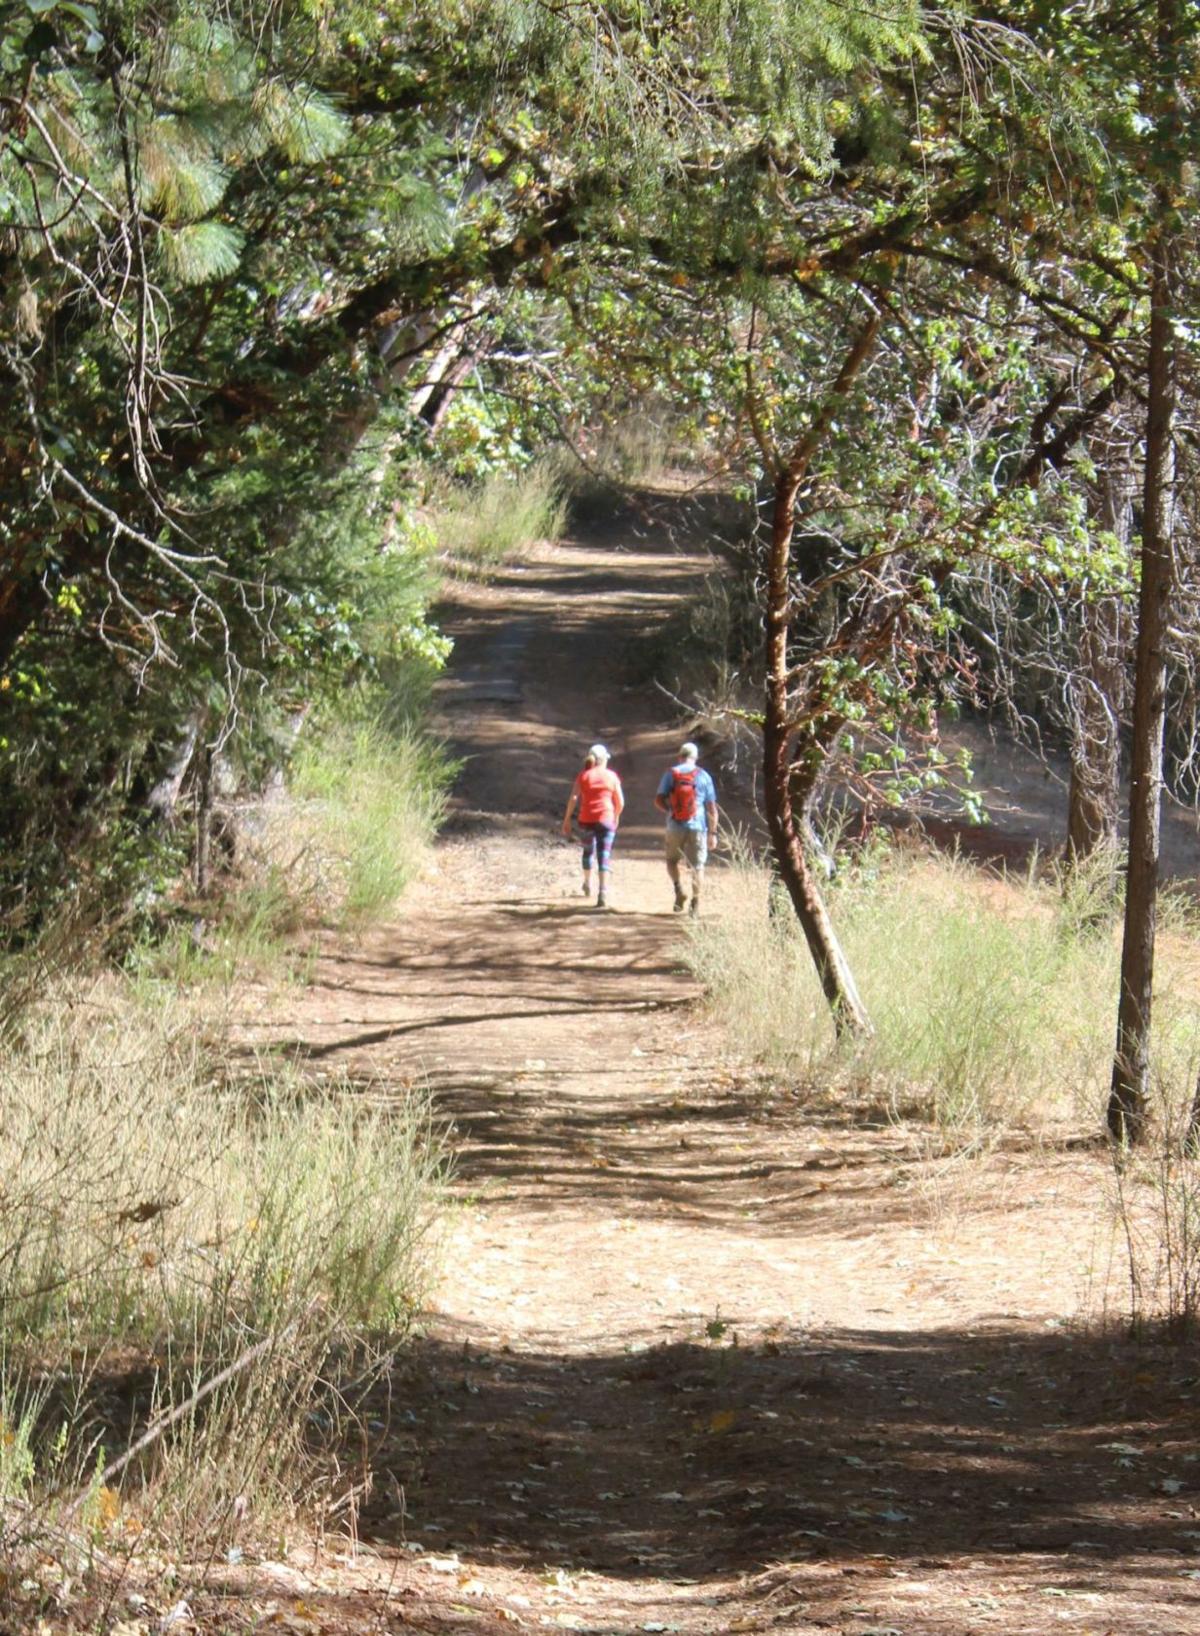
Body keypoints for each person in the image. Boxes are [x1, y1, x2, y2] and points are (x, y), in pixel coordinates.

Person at [654, 740, 719, 916]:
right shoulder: (704, 776)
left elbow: (658, 800)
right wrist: (712, 833)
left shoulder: (671, 773)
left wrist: (670, 810)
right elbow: (712, 808)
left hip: (675, 825)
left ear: (679, 756)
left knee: (671, 861)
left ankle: (679, 890)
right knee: (698, 866)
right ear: (695, 758)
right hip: (698, 826)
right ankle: (695, 903)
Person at [561, 743, 624, 910]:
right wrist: (616, 816)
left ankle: (587, 883)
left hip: (586, 820)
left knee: (588, 851)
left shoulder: (583, 775)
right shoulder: (612, 776)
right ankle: (603, 892)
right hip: (606, 819)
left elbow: (574, 798)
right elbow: (621, 802)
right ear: (603, 760)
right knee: (604, 854)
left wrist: (567, 819)